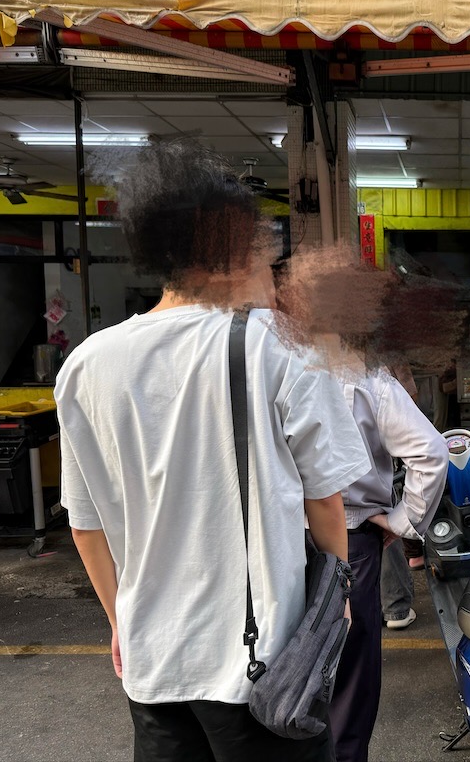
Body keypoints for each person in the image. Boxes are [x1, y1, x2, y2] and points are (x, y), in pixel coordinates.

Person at [56, 138, 372, 762]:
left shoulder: (87, 364)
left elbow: (86, 527)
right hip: (259, 670)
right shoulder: (281, 350)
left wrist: (122, 623)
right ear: (227, 250)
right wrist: (336, 603)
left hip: (152, 666)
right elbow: (327, 504)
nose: (270, 264)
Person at [326, 363, 448, 762]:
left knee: (277, 666)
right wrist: (404, 519)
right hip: (350, 536)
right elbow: (430, 452)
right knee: (350, 674)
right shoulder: (361, 374)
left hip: (270, 537)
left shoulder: (259, 360)